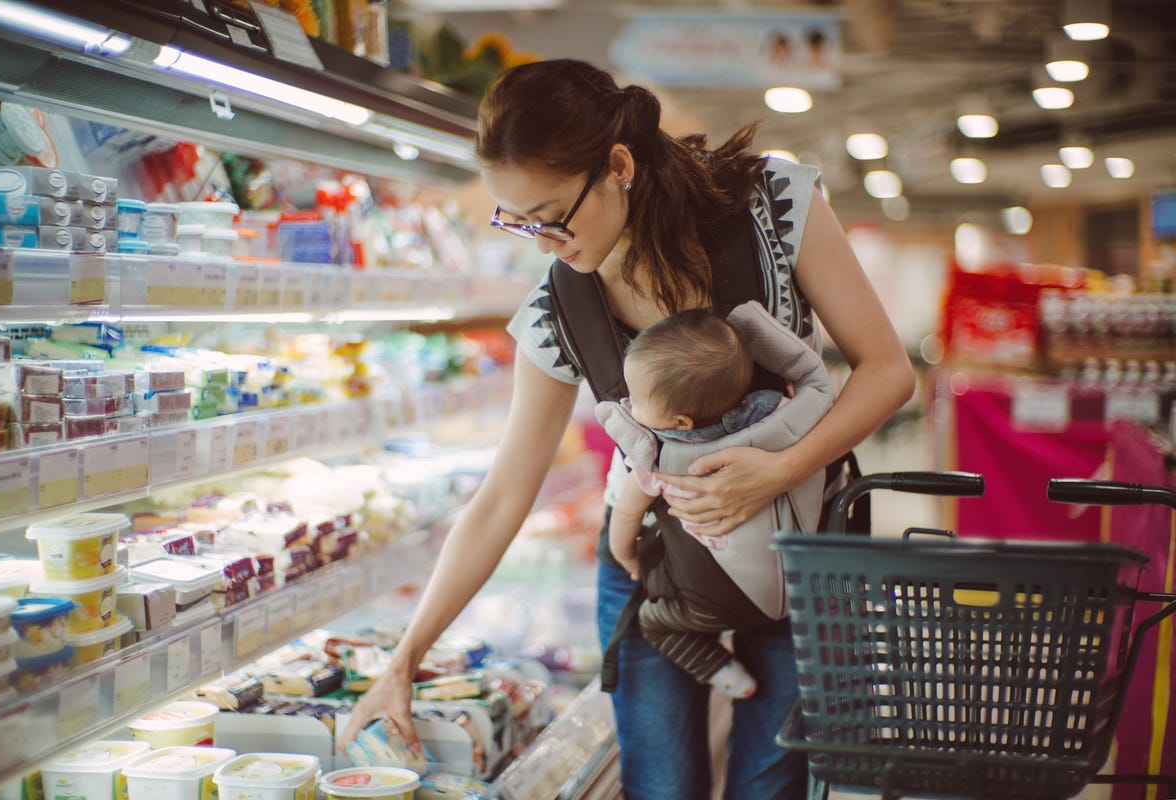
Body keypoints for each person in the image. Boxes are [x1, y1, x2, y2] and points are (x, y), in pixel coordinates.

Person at [338, 58, 915, 800]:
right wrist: (403, 661)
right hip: (656, 569)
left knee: (770, 787)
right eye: (517, 221)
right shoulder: (558, 311)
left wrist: (781, 468)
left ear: (617, 167)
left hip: (799, 551)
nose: (542, 242)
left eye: (551, 215)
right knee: (661, 787)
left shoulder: (773, 201)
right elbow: (504, 495)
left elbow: (886, 370)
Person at [601, 303, 834, 701]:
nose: (629, 405)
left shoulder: (657, 457)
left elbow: (626, 512)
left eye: (637, 401)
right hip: (797, 587)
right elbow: (815, 380)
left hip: (710, 603)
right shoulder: (783, 416)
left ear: (681, 423)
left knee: (653, 621)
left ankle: (720, 670)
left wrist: (624, 555)